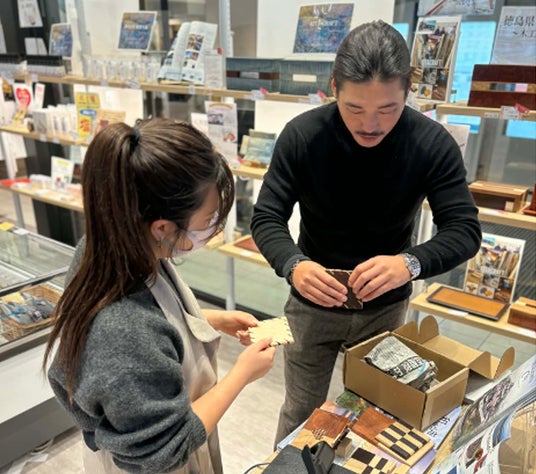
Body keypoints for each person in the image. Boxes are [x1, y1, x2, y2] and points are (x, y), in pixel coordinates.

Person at [250, 19, 481, 445]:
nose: (370, 124)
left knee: (378, 418)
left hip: (384, 307)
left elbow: (465, 230)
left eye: (387, 109)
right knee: (301, 411)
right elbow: (266, 216)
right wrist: (293, 265)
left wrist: (410, 263)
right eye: (354, 108)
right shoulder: (303, 135)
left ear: (408, 92)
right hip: (312, 302)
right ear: (334, 88)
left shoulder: (431, 143)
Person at [43, 118, 276, 473]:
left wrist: (211, 319)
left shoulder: (117, 249)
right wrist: (242, 374)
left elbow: (155, 322)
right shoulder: (122, 330)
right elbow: (164, 449)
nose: (214, 231)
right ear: (163, 228)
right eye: (208, 221)